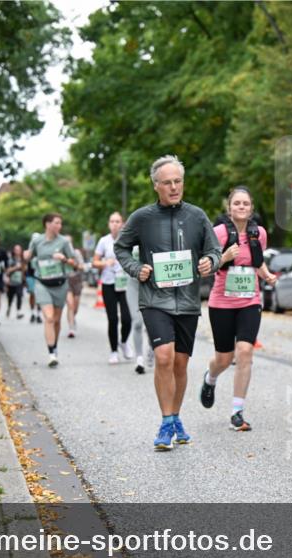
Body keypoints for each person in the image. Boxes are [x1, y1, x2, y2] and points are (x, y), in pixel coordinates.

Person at [115, 155, 222, 451]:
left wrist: (208, 262)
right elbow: (121, 247)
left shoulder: (197, 216)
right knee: (163, 356)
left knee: (180, 362)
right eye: (168, 182)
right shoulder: (142, 218)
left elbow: (214, 250)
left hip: (187, 301)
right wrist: (138, 269)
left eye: (178, 181)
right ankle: (165, 423)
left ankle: (176, 416)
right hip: (155, 299)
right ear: (156, 186)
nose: (174, 187)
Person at [198, 187, 277, 431]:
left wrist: (267, 275)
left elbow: (256, 261)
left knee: (244, 352)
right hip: (221, 301)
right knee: (224, 358)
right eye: (237, 204)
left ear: (251, 208)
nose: (241, 207)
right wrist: (224, 257)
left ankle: (237, 412)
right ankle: (210, 378)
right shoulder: (219, 233)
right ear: (229, 208)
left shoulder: (259, 234)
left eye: (245, 204)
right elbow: (205, 266)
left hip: (249, 301)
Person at [25, 213, 81, 367]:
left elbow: (75, 263)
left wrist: (63, 259)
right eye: (57, 223)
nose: (59, 226)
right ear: (47, 224)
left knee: (56, 320)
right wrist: (26, 255)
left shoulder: (63, 242)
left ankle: (54, 346)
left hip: (60, 285)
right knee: (49, 318)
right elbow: (28, 257)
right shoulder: (37, 241)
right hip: (42, 283)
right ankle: (51, 353)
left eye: (60, 223)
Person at [93, 212, 134, 364]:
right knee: (112, 319)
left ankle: (123, 342)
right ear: (109, 224)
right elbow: (94, 262)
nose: (115, 224)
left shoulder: (128, 240)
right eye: (112, 221)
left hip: (125, 283)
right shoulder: (104, 241)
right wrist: (105, 263)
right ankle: (113, 351)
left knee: (127, 318)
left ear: (122, 224)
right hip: (108, 283)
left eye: (118, 221)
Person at [64, 236, 85, 338]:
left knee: (75, 307)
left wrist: (74, 264)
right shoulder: (61, 254)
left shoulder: (76, 253)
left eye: (69, 242)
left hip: (77, 280)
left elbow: (82, 267)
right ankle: (71, 328)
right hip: (65, 281)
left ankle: (73, 318)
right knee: (70, 305)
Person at [5, 244, 26, 320]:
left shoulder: (23, 260)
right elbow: (7, 271)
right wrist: (16, 267)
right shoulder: (11, 260)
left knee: (19, 295)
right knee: (10, 297)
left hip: (19, 282)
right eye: (16, 250)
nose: (17, 251)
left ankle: (18, 312)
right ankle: (9, 307)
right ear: (13, 251)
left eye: (19, 250)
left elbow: (24, 270)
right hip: (11, 282)